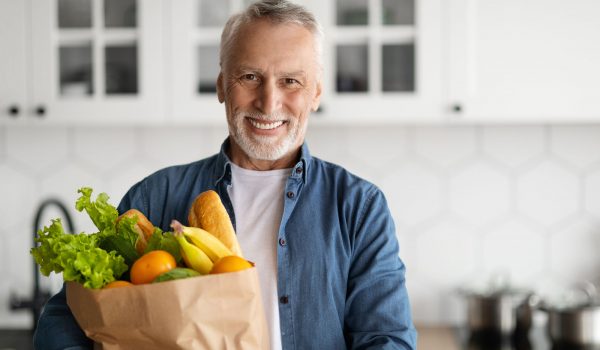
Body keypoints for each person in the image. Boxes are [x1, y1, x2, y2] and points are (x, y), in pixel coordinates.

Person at [34, 1, 416, 349]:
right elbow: (63, 319)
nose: (268, 102)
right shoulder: (153, 197)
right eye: (249, 77)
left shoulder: (358, 207)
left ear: (315, 92)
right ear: (221, 85)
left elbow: (388, 339)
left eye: (291, 81)